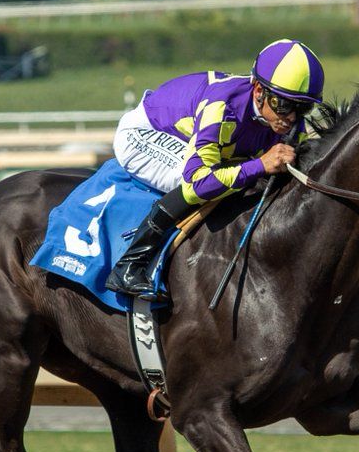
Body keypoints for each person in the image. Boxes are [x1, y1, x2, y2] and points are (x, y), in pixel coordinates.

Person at [104, 39, 325, 301]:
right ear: (258, 91)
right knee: (197, 183)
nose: (291, 118)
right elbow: (197, 183)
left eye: (303, 108)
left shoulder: (291, 125)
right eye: (284, 105)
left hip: (199, 138)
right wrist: (260, 164)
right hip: (146, 132)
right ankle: (130, 264)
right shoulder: (223, 107)